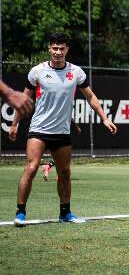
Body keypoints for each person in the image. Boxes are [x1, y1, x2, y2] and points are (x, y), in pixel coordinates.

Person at [9, 32, 117, 226]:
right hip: (39, 129)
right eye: (54, 48)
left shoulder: (76, 72)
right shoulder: (37, 72)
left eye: (62, 48)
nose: (58, 52)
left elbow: (90, 97)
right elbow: (23, 99)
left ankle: (65, 213)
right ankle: (20, 212)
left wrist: (104, 118)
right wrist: (14, 123)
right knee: (31, 168)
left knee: (65, 172)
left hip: (62, 132)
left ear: (67, 50)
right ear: (49, 49)